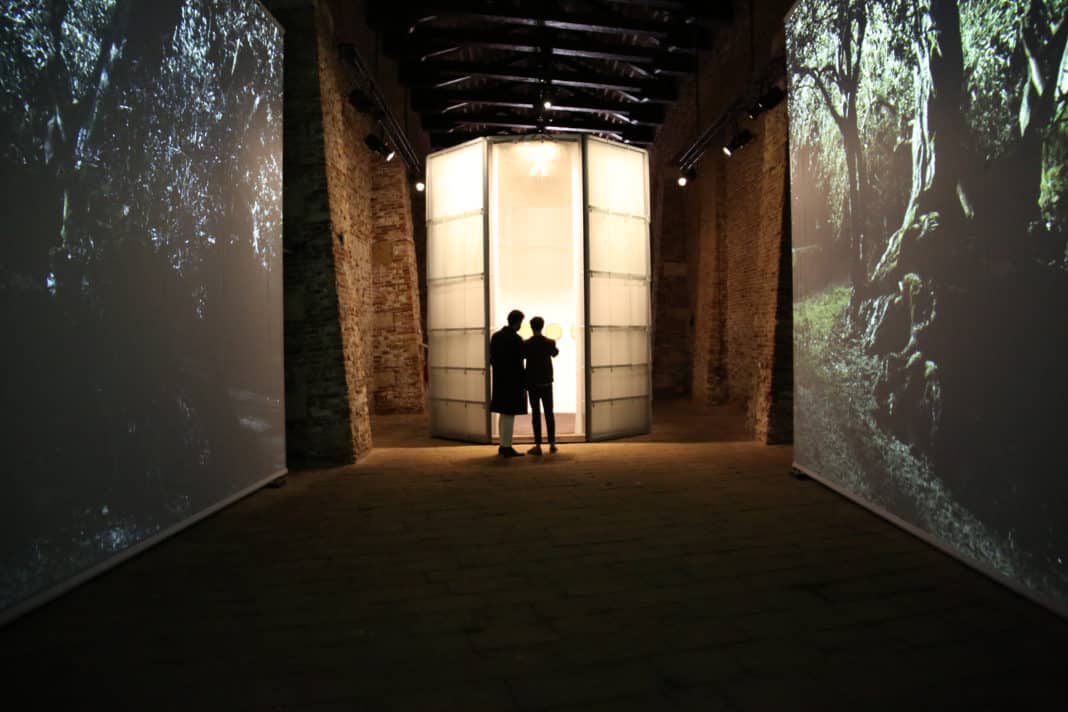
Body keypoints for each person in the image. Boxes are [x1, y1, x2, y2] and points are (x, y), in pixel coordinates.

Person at [489, 309, 527, 457]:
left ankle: (502, 444)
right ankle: (506, 446)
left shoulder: (496, 336)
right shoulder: (516, 339)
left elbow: (492, 359)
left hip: (500, 379)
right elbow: (520, 361)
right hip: (513, 381)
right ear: (517, 322)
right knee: (509, 414)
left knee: (503, 413)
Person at [523, 316, 558, 455]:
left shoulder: (526, 344)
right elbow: (555, 354)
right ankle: (552, 444)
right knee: (549, 413)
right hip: (547, 383)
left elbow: (523, 357)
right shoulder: (549, 342)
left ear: (531, 327)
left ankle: (538, 445)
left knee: (536, 414)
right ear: (542, 326)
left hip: (532, 383)